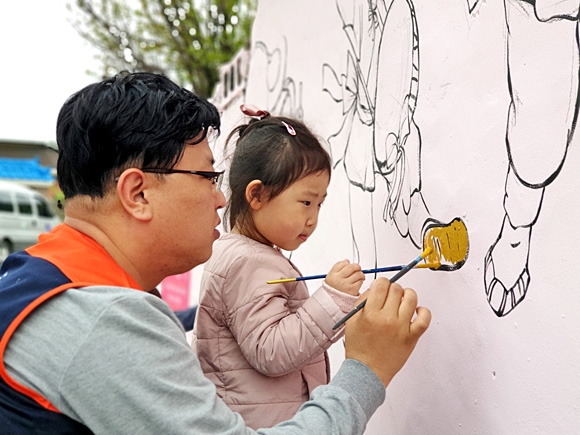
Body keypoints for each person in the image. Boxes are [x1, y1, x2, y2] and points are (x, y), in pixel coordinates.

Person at [0, 71, 431, 434]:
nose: (221, 200)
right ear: (137, 193)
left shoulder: (36, 275)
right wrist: (367, 368)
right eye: (207, 176)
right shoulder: (105, 322)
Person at [192, 105, 367, 428]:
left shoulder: (251, 254)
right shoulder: (246, 262)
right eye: (305, 202)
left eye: (319, 204)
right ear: (257, 195)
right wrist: (332, 300)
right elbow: (271, 351)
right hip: (262, 425)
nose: (313, 218)